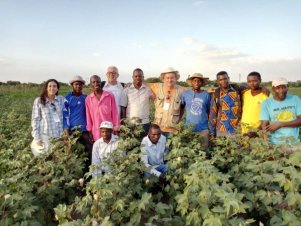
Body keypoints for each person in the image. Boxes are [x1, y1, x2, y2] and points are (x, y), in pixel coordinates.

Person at [260, 78, 301, 149]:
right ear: (273, 89)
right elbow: (264, 125)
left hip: (294, 143)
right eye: (278, 88)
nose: (281, 91)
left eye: (283, 87)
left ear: (287, 87)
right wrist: (267, 146)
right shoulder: (267, 103)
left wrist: (281, 124)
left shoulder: (295, 99)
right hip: (276, 145)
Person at [63, 75, 93, 165]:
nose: (78, 86)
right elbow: (65, 116)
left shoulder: (86, 98)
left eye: (80, 84)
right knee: (74, 150)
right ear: (72, 85)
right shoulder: (67, 98)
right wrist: (66, 131)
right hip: (72, 130)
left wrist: (90, 129)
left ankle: (89, 168)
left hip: (84, 129)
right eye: (76, 84)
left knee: (88, 148)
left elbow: (90, 113)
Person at [31, 79, 65, 155]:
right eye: (50, 86)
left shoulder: (61, 99)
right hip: (45, 135)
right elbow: (35, 120)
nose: (52, 88)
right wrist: (37, 137)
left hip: (59, 135)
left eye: (54, 86)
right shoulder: (39, 101)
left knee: (58, 159)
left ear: (57, 88)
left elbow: (66, 115)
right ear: (46, 88)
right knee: (45, 158)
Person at [149, 67, 185, 136]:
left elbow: (183, 107)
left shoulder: (181, 90)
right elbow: (143, 87)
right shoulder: (156, 87)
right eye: (167, 78)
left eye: (172, 78)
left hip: (173, 129)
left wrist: (179, 120)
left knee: (170, 146)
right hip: (158, 128)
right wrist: (126, 84)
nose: (169, 80)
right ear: (163, 79)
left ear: (176, 78)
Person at [120, 68, 154, 138]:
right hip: (131, 123)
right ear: (132, 77)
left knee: (144, 145)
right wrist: (124, 123)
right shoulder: (126, 90)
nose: (138, 78)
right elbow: (123, 107)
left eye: (140, 76)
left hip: (145, 123)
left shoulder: (148, 89)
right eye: (136, 76)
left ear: (143, 77)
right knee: (132, 145)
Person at [209, 71, 243, 140]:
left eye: (225, 78)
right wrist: (212, 133)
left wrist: (262, 89)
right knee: (221, 150)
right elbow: (213, 114)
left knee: (236, 149)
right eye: (220, 80)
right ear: (218, 82)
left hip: (236, 128)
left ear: (228, 78)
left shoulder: (237, 90)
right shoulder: (216, 94)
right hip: (221, 129)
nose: (223, 81)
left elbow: (252, 89)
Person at [180, 73, 211, 148]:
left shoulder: (206, 95)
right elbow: (181, 108)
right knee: (190, 151)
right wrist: (179, 121)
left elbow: (209, 111)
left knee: (203, 151)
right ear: (191, 82)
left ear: (202, 83)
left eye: (199, 81)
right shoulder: (185, 94)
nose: (197, 83)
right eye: (194, 81)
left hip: (203, 129)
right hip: (189, 129)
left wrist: (211, 125)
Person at [85, 75, 119, 142]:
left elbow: (115, 113)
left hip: (109, 129)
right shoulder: (88, 99)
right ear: (91, 84)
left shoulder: (109, 96)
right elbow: (88, 117)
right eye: (93, 82)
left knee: (110, 149)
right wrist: (89, 131)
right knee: (99, 150)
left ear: (101, 83)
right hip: (96, 131)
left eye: (98, 82)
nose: (96, 84)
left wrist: (116, 127)